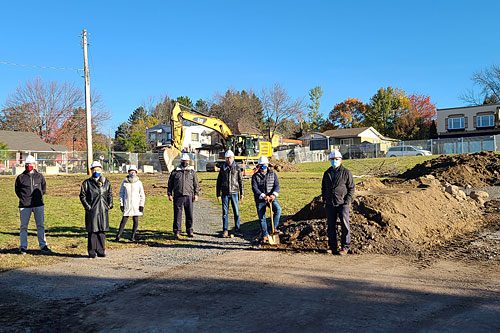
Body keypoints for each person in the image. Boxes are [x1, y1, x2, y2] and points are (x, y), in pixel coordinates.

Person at [321, 150, 355, 255]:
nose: (334, 161)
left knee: (345, 225)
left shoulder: (346, 173)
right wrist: (325, 199)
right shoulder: (327, 173)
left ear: (340, 160)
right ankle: (332, 246)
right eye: (332, 159)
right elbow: (324, 187)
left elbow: (351, 188)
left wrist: (347, 201)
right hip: (330, 204)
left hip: (342, 203)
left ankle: (345, 247)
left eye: (336, 159)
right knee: (331, 226)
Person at [15, 155, 50, 254]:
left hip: (38, 205)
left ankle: (43, 245)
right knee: (23, 227)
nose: (29, 165)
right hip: (24, 206)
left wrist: (38, 198)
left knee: (40, 226)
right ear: (24, 165)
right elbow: (17, 190)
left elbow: (43, 188)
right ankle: (23, 246)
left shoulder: (40, 176)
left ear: (35, 165)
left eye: (31, 164)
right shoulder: (20, 177)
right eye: (27, 164)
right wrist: (23, 198)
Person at [79, 161, 113, 258]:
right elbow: (82, 196)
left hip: (103, 209)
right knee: (93, 231)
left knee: (102, 231)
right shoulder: (87, 183)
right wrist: (88, 206)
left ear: (101, 170)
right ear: (91, 171)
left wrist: (110, 204)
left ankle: (101, 250)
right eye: (94, 170)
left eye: (98, 170)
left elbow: (109, 194)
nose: (96, 171)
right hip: (92, 210)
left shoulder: (106, 182)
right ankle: (92, 251)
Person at [167, 153, 200, 239]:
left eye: (186, 161)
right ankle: (177, 231)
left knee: (189, 214)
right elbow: (170, 184)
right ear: (180, 161)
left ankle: (190, 231)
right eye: (183, 161)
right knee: (177, 215)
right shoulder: (175, 172)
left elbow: (196, 184)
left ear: (188, 162)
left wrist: (196, 194)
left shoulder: (192, 172)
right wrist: (170, 194)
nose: (185, 162)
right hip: (178, 196)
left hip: (189, 196)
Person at [251, 156, 282, 243]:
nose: (262, 167)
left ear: (267, 164)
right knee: (262, 217)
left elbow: (277, 185)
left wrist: (273, 195)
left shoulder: (272, 174)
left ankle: (274, 228)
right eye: (261, 165)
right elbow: (255, 188)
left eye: (264, 165)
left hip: (271, 197)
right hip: (260, 199)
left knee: (278, 209)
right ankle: (265, 235)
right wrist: (263, 195)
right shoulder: (255, 176)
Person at [216, 150, 244, 238]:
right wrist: (218, 194)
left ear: (233, 158)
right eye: (227, 158)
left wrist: (242, 193)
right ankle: (225, 230)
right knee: (225, 213)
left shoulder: (237, 168)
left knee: (236, 212)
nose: (229, 160)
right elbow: (219, 182)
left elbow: (240, 181)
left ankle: (237, 229)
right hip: (225, 193)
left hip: (235, 192)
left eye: (230, 158)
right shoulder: (223, 168)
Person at [116, 165, 145, 242]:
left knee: (135, 220)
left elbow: (142, 194)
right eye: (131, 172)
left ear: (136, 173)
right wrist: (121, 204)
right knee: (124, 221)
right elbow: (121, 194)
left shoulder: (139, 183)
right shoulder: (124, 182)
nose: (132, 173)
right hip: (127, 204)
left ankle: (133, 236)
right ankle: (118, 236)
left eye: (134, 172)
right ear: (128, 172)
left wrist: (141, 204)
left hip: (136, 205)